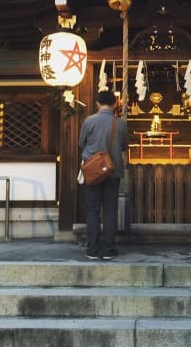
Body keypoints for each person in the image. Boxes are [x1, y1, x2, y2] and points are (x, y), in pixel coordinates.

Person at [79, 89, 128, 260]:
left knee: (92, 210)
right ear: (115, 104)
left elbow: (81, 142)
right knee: (109, 210)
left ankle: (92, 248)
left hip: (92, 171)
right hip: (112, 171)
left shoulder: (89, 121)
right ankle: (108, 249)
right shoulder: (120, 123)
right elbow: (124, 147)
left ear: (97, 103)